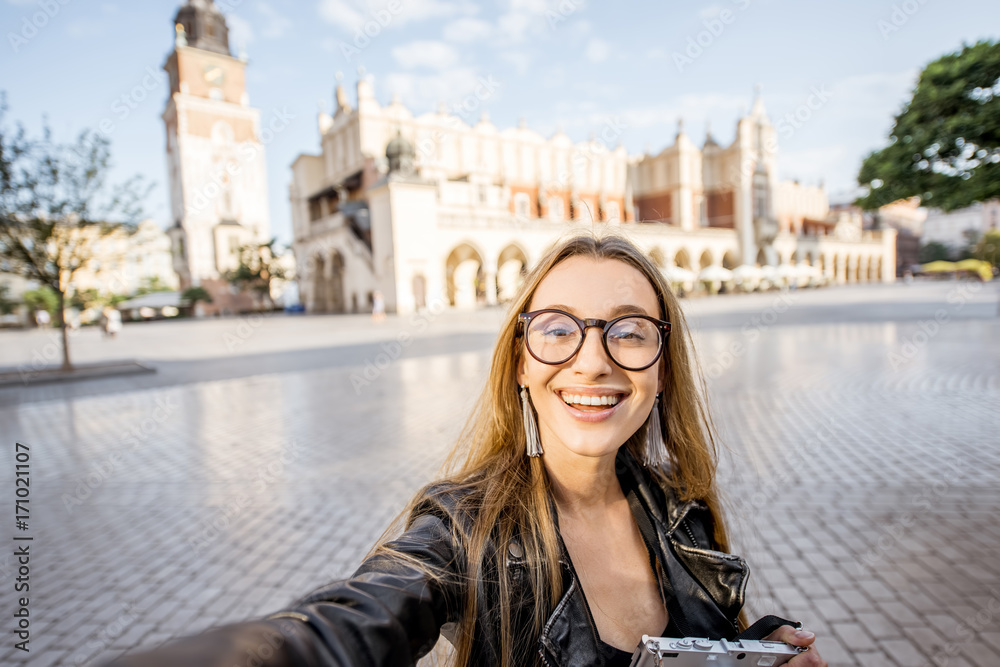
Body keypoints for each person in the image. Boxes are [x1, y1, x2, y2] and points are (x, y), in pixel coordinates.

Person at [105, 233, 826, 667]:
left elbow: (712, 638)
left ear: (661, 365)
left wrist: (760, 647)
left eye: (629, 330)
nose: (593, 361)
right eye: (558, 328)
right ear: (519, 358)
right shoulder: (464, 526)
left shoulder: (679, 508)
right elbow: (342, 627)